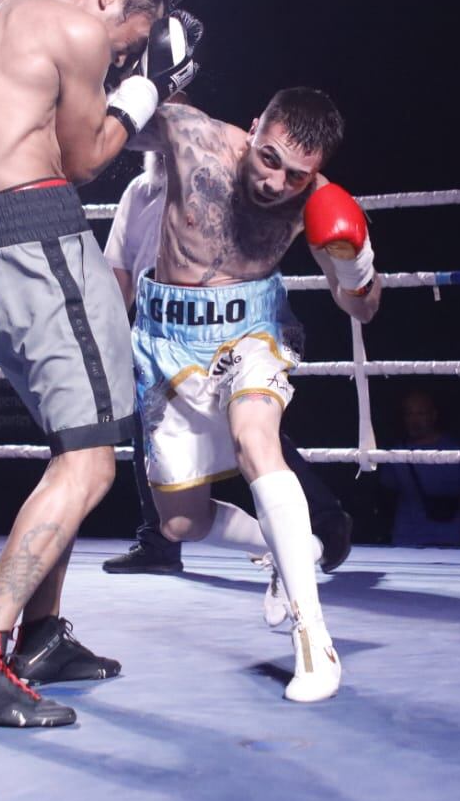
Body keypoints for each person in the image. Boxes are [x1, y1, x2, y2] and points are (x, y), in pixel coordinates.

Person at [0, 0, 202, 729]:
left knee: (73, 444)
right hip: (38, 243)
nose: (112, 59)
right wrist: (143, 93)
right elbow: (84, 159)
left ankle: (42, 635)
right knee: (90, 466)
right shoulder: (74, 26)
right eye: (123, 43)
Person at [132, 88, 381, 703]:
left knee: (255, 438)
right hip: (167, 339)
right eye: (269, 159)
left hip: (254, 331)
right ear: (253, 128)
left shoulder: (318, 204)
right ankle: (283, 546)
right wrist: (129, 85)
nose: (276, 183)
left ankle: (314, 638)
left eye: (297, 174)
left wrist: (356, 267)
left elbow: (363, 310)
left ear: (315, 170)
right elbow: (92, 134)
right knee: (182, 523)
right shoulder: (193, 138)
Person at [99, 153, 354, 577]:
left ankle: (325, 521)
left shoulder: (224, 185)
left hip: (225, 333)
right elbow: (120, 273)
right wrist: (109, 342)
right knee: (154, 435)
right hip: (157, 337)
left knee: (253, 435)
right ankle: (159, 540)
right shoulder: (138, 192)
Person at [378, 389, 460, 547]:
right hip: (405, 540)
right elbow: (386, 494)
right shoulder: (395, 454)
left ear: (433, 415)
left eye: (420, 414)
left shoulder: (458, 452)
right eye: (409, 414)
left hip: (450, 540)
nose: (414, 420)